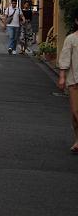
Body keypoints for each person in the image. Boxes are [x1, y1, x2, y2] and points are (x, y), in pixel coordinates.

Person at [58, 16, 78, 154]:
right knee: (75, 112)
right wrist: (62, 76)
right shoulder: (71, 39)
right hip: (74, 80)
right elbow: (65, 58)